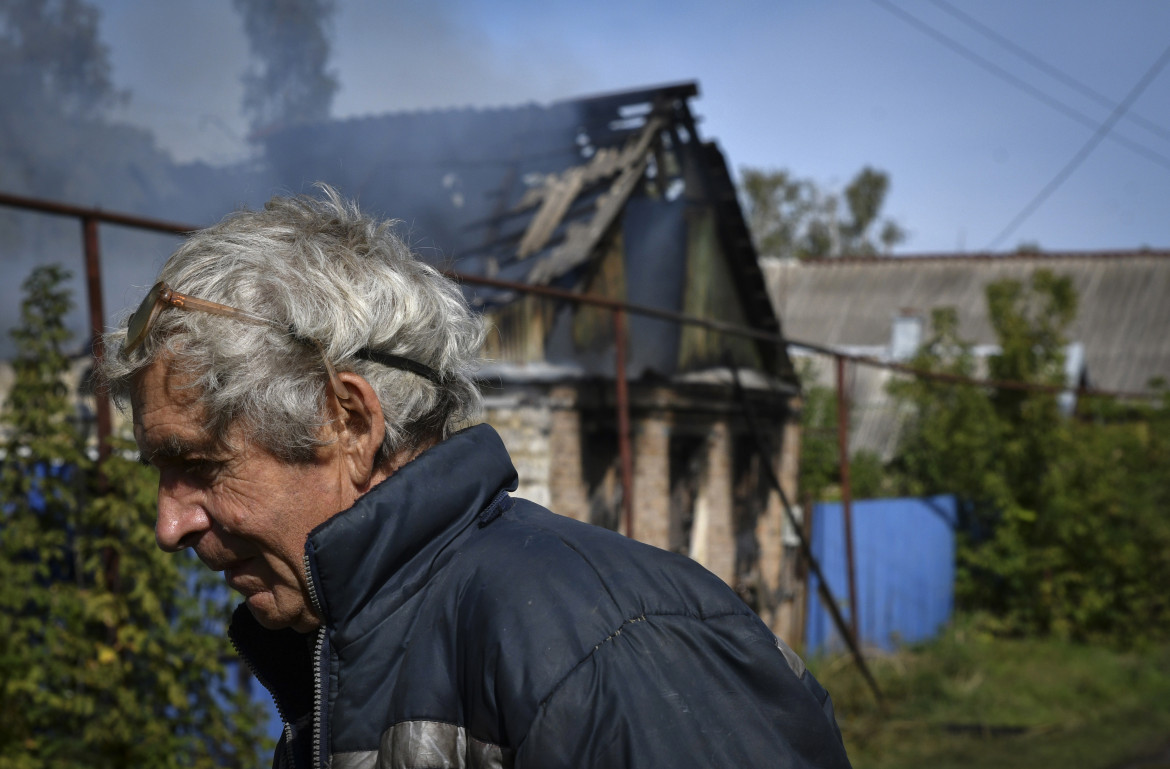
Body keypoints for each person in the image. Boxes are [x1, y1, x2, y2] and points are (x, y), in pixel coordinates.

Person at [101, 187, 852, 769]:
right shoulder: (349, 647)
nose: (170, 526)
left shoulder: (605, 647)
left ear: (350, 425)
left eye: (200, 465)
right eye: (161, 473)